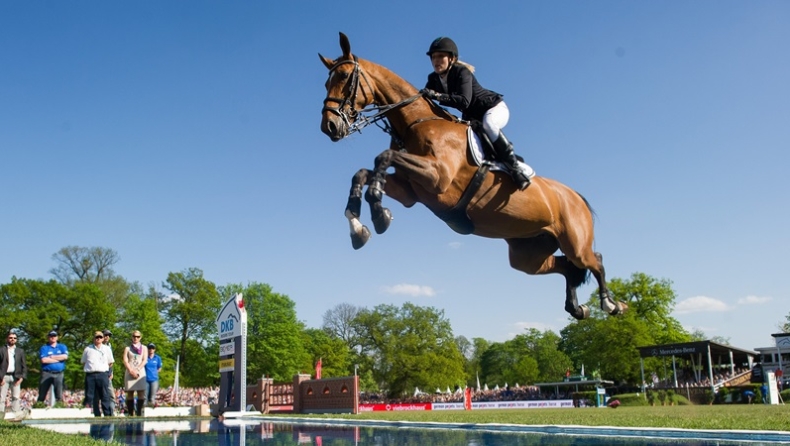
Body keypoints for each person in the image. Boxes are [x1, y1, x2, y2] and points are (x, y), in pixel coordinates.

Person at [421, 36, 533, 190]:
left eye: (441, 56)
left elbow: (463, 101)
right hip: (472, 117)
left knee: (489, 125)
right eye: (433, 57)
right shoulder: (433, 79)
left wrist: (437, 96)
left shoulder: (462, 72)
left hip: (493, 108)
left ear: (452, 58)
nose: (436, 61)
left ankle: (515, 168)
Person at [81, 331, 114, 417]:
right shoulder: (88, 349)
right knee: (89, 395)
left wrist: (105, 371)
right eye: (97, 337)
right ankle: (90, 414)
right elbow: (83, 362)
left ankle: (107, 415)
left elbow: (111, 362)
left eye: (100, 337)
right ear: (94, 338)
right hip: (90, 375)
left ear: (103, 339)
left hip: (102, 374)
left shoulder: (107, 349)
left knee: (104, 395)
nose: (98, 339)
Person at [37, 330, 69, 405]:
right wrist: (58, 359)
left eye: (54, 336)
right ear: (48, 337)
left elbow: (65, 357)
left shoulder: (62, 347)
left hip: (59, 373)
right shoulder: (44, 348)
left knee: (59, 393)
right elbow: (44, 360)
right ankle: (38, 406)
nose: (53, 337)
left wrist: (52, 357)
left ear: (57, 337)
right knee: (42, 393)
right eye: (51, 336)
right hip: (46, 373)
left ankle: (59, 407)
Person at [0, 331, 28, 415]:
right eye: (11, 337)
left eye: (14, 338)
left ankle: (14, 414)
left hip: (16, 377)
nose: (13, 339)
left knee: (16, 397)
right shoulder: (2, 350)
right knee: (2, 397)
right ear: (7, 339)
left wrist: (22, 377)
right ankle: (0, 415)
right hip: (4, 376)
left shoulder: (20, 351)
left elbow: (24, 365)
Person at [122, 330, 148, 416]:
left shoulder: (144, 348)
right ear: (131, 337)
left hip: (140, 371)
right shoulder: (127, 348)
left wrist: (137, 369)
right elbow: (125, 361)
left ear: (140, 337)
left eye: (137, 336)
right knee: (130, 393)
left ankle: (139, 412)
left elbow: (144, 360)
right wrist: (131, 370)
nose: (135, 338)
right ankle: (130, 413)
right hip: (130, 371)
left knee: (141, 393)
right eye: (134, 336)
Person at [102, 329, 116, 415]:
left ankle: (111, 413)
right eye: (105, 335)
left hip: (108, 374)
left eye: (109, 335)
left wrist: (112, 372)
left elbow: (111, 361)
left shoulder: (109, 346)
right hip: (101, 373)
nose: (107, 337)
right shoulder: (99, 346)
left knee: (111, 395)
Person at [144, 343, 162, 407]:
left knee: (152, 396)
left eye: (152, 348)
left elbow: (159, 367)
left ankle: (151, 408)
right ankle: (144, 409)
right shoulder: (145, 357)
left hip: (154, 379)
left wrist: (155, 372)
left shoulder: (157, 358)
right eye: (149, 348)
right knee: (145, 396)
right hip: (145, 379)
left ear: (154, 349)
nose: (151, 350)